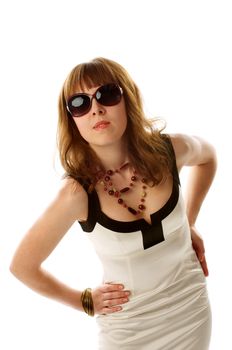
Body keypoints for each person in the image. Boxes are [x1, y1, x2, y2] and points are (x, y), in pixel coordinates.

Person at [10, 57, 217, 349]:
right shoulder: (78, 194)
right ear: (72, 119)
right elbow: (22, 266)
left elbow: (208, 158)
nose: (96, 108)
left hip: (190, 313)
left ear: (127, 98)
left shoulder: (170, 151)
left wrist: (189, 221)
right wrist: (84, 301)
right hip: (128, 332)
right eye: (80, 103)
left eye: (107, 94)